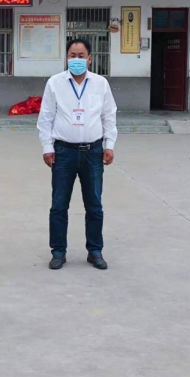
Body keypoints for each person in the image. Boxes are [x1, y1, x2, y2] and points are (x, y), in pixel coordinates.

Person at [37, 38, 117, 270]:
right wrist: (47, 147)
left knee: (94, 205)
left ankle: (95, 250)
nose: (77, 60)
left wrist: (109, 144)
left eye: (81, 56)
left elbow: (109, 115)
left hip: (93, 152)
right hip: (64, 152)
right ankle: (58, 252)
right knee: (59, 205)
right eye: (72, 55)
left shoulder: (100, 84)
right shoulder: (55, 83)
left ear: (90, 59)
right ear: (66, 58)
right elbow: (46, 117)